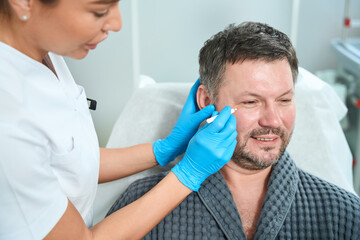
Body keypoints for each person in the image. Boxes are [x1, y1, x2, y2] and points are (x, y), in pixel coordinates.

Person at [0, 0, 238, 239]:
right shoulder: (8, 120)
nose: (117, 24)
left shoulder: (40, 48)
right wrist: (188, 176)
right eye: (100, 11)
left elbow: (68, 158)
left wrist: (162, 150)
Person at [107, 22, 360, 240]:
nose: (273, 120)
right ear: (207, 102)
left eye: (284, 100)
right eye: (251, 102)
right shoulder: (139, 206)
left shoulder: (342, 213)